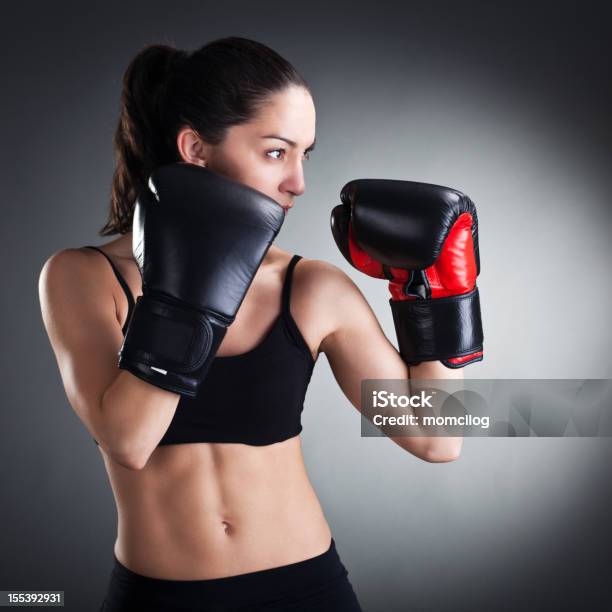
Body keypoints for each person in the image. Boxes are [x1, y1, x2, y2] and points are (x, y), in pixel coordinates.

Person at [38, 36, 478, 611]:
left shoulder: (310, 287)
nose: (297, 181)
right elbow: (129, 439)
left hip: (305, 587)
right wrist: (192, 283)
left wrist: (437, 298)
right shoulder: (81, 276)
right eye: (276, 152)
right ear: (195, 147)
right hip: (157, 596)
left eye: (305, 154)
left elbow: (437, 439)